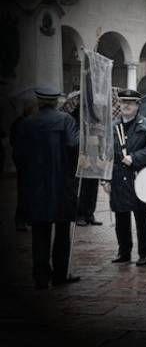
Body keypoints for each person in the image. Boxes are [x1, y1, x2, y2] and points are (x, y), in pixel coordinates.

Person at [13, 86, 80, 289]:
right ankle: (60, 274)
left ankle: (41, 277)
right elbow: (74, 147)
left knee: (39, 233)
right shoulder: (66, 120)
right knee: (62, 232)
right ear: (56, 101)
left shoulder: (27, 123)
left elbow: (18, 155)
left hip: (36, 187)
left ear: (39, 101)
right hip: (61, 185)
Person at [103, 89, 146, 266]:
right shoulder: (113, 126)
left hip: (139, 178)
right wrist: (105, 178)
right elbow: (106, 153)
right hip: (118, 177)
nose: (126, 106)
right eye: (122, 102)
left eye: (130, 102)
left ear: (137, 106)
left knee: (142, 217)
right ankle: (124, 252)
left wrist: (135, 157)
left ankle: (145, 254)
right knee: (121, 217)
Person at [9, 100, 37, 232]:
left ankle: (28, 218)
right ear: (27, 109)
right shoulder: (20, 123)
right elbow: (15, 143)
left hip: (31, 163)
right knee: (23, 193)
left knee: (31, 192)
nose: (34, 109)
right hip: (25, 163)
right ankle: (21, 220)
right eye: (32, 107)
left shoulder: (30, 122)